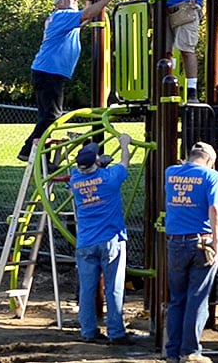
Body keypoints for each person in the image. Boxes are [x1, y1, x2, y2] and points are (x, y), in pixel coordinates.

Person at [18, 0, 123, 163]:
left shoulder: (65, 20)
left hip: (47, 71)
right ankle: (29, 150)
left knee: (47, 117)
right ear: (58, 3)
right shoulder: (62, 16)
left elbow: (85, 17)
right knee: (51, 116)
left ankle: (41, 158)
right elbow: (87, 15)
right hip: (49, 71)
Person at [164, 142, 218, 363]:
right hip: (201, 242)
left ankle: (172, 351)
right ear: (210, 160)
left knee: (177, 299)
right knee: (197, 298)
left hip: (175, 242)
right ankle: (190, 352)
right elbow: (216, 209)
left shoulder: (170, 173)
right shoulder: (212, 177)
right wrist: (217, 241)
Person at [68, 134, 133, 345]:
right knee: (114, 287)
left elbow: (89, 171)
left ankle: (88, 331)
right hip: (110, 239)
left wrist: (99, 163)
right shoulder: (110, 178)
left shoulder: (75, 179)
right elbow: (125, 162)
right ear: (97, 162)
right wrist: (124, 145)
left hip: (85, 242)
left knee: (87, 289)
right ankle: (116, 333)